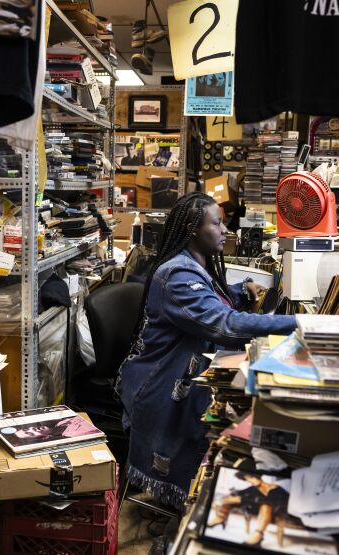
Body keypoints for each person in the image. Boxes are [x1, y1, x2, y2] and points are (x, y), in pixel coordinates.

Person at [117, 192, 297, 508]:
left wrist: (241, 292)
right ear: (192, 229)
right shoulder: (177, 274)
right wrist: (296, 324)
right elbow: (222, 324)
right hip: (160, 382)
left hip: (176, 370)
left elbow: (209, 302)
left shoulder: (191, 266)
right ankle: (192, 498)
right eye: (217, 223)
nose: (225, 230)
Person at [208, 472, 299, 546]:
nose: (250, 482)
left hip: (276, 512)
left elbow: (278, 503)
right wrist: (232, 497)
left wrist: (242, 499)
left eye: (250, 478)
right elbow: (241, 493)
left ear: (256, 476)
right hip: (256, 509)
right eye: (247, 480)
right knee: (229, 499)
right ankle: (220, 519)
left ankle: (258, 535)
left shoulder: (277, 489)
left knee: (265, 505)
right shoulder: (254, 488)